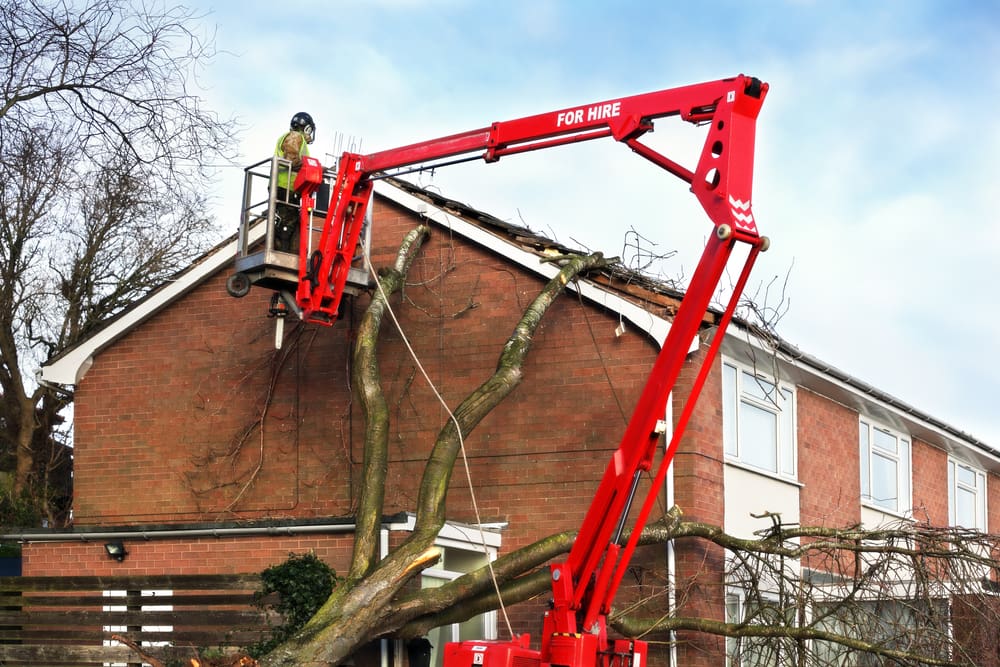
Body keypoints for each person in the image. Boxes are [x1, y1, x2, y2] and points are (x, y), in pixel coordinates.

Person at [273, 111, 316, 252]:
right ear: (307, 128)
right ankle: (282, 252)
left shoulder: (290, 137)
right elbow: (291, 157)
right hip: (286, 187)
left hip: (285, 187)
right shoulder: (296, 136)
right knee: (286, 224)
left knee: (291, 223)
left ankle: (287, 250)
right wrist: (310, 167)